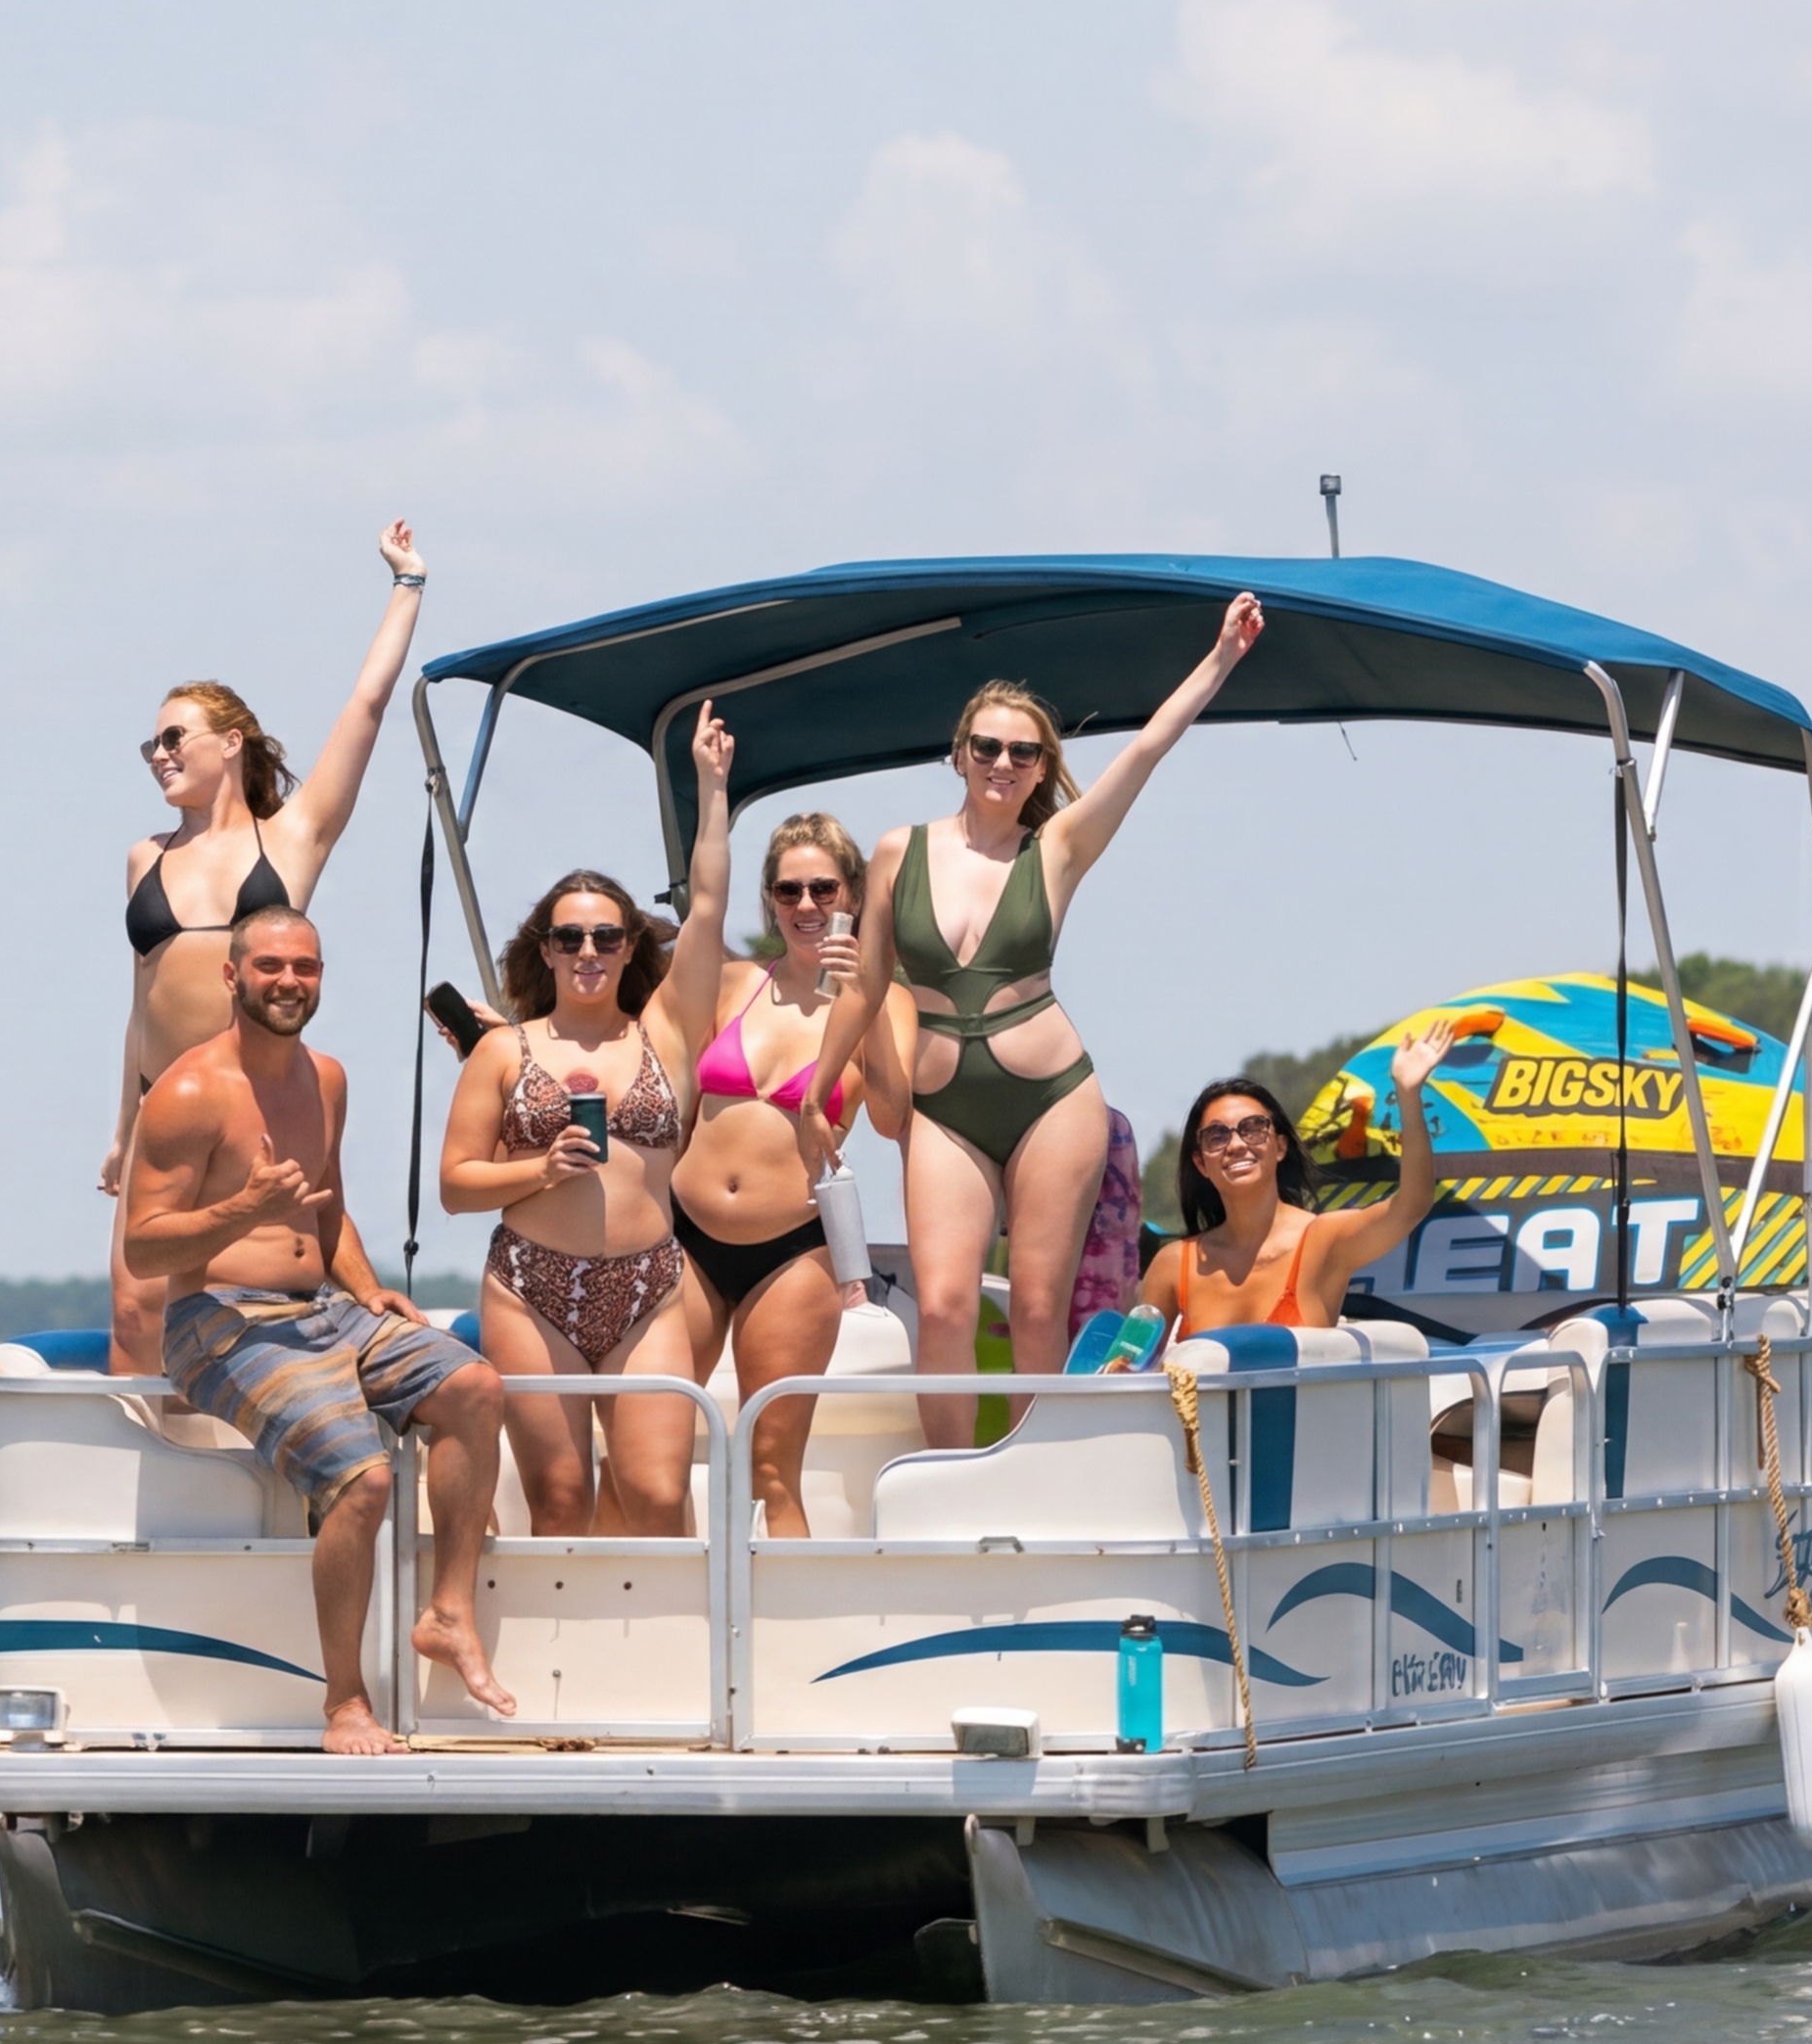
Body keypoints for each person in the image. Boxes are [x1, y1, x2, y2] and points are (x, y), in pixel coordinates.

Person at [814, 594, 1267, 1438]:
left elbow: (1147, 749)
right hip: (942, 1106)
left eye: (1024, 752)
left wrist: (1222, 658)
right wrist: (818, 1087)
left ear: (1039, 765)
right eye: (987, 746)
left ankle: (1029, 1472)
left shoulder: (1056, 848)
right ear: (958, 755)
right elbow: (867, 981)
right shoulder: (896, 850)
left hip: (1053, 1095)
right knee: (944, 1306)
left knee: (1035, 1307)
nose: (1004, 761)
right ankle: (943, 1485)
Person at [126, 906, 514, 1746]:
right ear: (232, 976)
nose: (289, 982)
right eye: (270, 967)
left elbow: (327, 1208)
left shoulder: (326, 1077)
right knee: (364, 1479)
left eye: (305, 967)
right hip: (217, 1322)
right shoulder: (189, 1092)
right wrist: (243, 1208)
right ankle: (345, 1701)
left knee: (475, 1386)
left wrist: (371, 1292)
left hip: (325, 1311)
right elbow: (145, 1247)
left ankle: (449, 1613)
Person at [105, 521, 431, 1371]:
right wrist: (121, 1124)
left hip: (253, 1100)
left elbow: (365, 709)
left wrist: (408, 588)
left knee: (263, 1288)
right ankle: (147, 1496)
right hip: (163, 1103)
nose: (159, 755)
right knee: (135, 1314)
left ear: (230, 742)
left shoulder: (292, 840)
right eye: (151, 745)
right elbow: (139, 998)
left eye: (174, 738)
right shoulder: (148, 856)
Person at [436, 798, 723, 1537]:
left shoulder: (667, 1032)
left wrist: (710, 790)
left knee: (658, 1495)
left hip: (649, 1284)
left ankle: (673, 1647)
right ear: (547, 951)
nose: (588, 950)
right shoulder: (505, 1050)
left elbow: (710, 909)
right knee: (560, 1501)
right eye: (569, 937)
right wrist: (541, 1171)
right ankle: (558, 1654)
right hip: (531, 1289)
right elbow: (455, 1184)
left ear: (630, 947)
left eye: (605, 935)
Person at [670, 736, 876, 1536]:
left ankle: (790, 1644)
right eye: (788, 888)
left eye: (823, 887)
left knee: (769, 1471)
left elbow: (892, 1114)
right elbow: (703, 904)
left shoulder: (874, 1001)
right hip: (684, 1235)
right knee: (644, 1447)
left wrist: (866, 991)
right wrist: (713, 788)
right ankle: (661, 1627)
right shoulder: (729, 982)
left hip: (792, 1248)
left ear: (850, 893)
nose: (806, 903)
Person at [1132, 1030, 1463, 1337]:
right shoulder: (1173, 1264)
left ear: (1279, 1147)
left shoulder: (1324, 1241)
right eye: (1217, 1136)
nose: (1235, 1144)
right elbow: (1127, 1367)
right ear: (1201, 1163)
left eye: (1253, 1128)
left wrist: (1407, 1092)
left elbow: (1411, 1205)